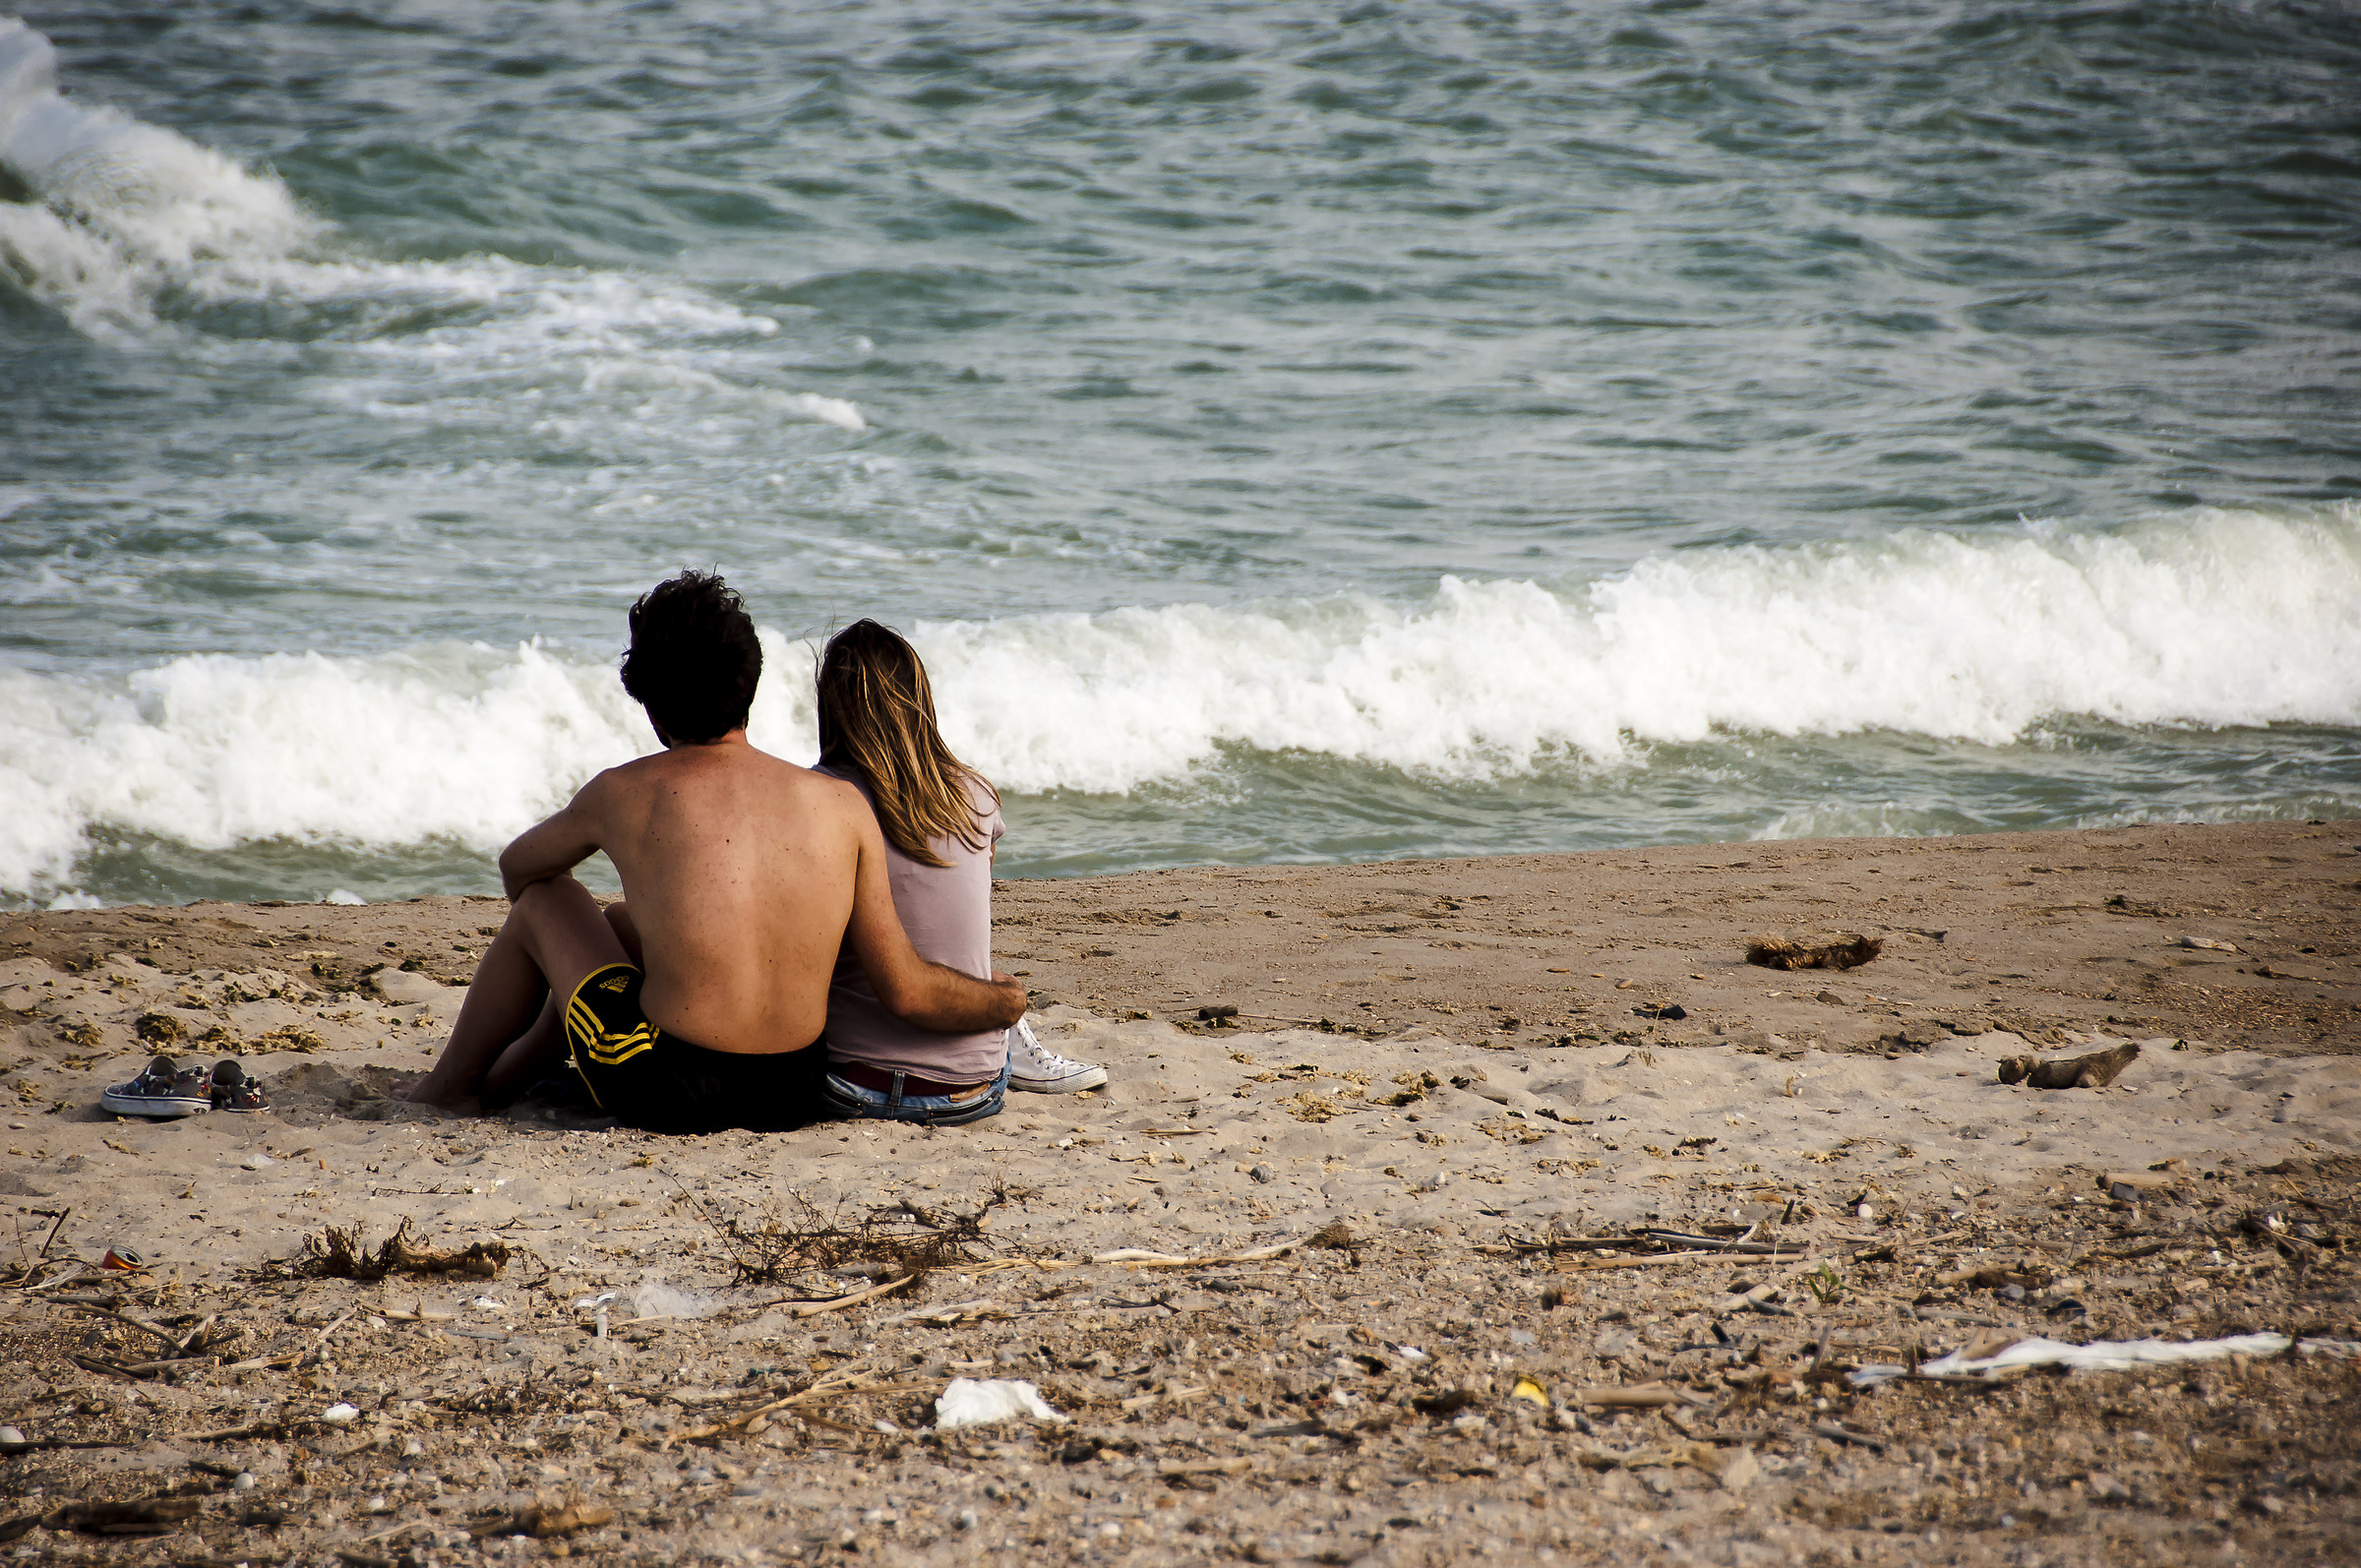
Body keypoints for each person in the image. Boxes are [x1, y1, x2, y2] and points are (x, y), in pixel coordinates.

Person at [403, 573, 1026, 1133]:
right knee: (629, 924)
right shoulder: (837, 804)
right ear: (750, 681)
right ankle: (510, 1075)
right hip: (797, 1090)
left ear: (647, 700)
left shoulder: (624, 792)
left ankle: (451, 1086)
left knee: (548, 902)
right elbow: (903, 978)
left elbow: (519, 869)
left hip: (676, 1090)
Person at [812, 620, 1106, 1125]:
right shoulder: (976, 793)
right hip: (975, 1091)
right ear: (920, 699)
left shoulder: (819, 798)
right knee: (956, 949)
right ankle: (1007, 1037)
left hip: (852, 1084)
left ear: (831, 709)